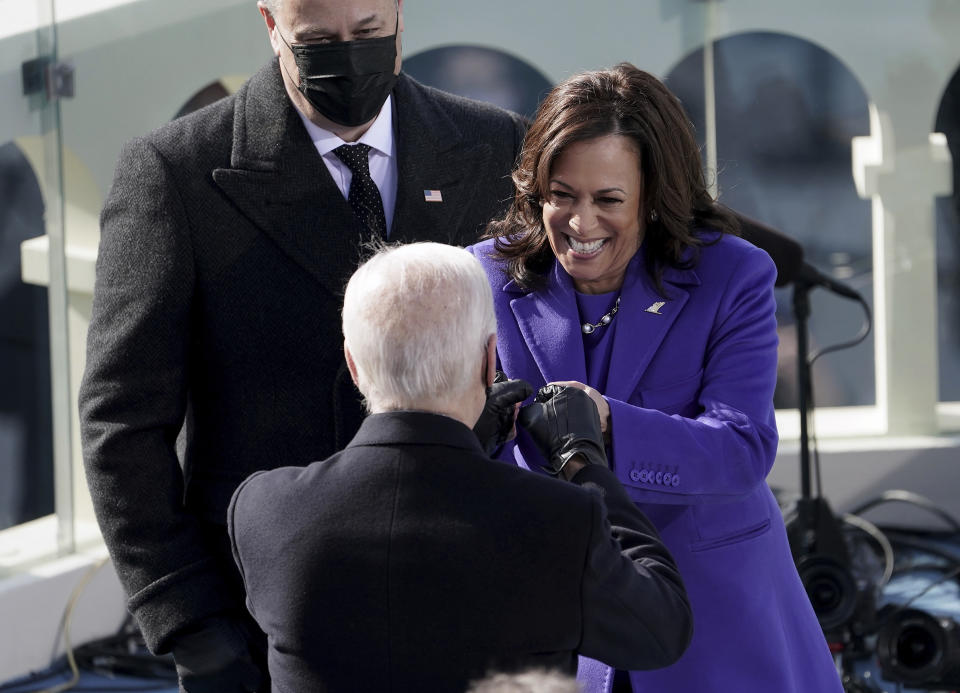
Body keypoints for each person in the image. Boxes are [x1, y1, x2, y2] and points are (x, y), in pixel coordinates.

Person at [78, 0, 526, 689]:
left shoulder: (494, 146)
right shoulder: (176, 173)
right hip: (269, 623)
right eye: (319, 40)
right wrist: (187, 619)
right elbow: (123, 421)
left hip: (470, 603)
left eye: (370, 32)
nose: (348, 56)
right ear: (269, 22)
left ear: (400, 11)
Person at [468, 63, 844, 693]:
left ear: (655, 194)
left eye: (608, 199)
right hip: (554, 622)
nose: (580, 223)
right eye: (561, 194)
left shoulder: (732, 274)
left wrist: (611, 425)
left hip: (714, 616)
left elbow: (741, 449)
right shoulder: (484, 277)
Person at [227, 242, 692, 692]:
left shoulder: (263, 509)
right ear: (490, 360)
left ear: (353, 364)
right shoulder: (558, 520)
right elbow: (662, 627)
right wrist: (583, 462)